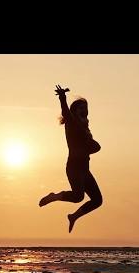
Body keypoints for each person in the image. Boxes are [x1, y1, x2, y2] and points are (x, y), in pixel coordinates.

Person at [39, 85, 103, 233]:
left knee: (97, 200)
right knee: (78, 197)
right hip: (74, 167)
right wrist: (62, 98)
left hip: (84, 168)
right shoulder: (72, 123)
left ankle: (74, 216)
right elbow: (66, 113)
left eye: (86, 108)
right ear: (75, 111)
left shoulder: (84, 127)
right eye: (81, 108)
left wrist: (93, 146)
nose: (84, 110)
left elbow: (91, 146)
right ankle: (54, 196)